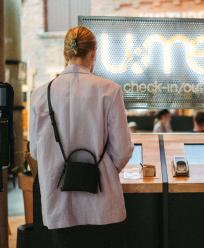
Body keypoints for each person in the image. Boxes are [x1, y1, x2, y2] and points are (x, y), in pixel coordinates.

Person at [29, 26, 133, 248]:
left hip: (59, 207)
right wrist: (105, 169)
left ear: (65, 53)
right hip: (103, 205)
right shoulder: (110, 90)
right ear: (93, 53)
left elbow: (35, 151)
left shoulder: (40, 94)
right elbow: (123, 150)